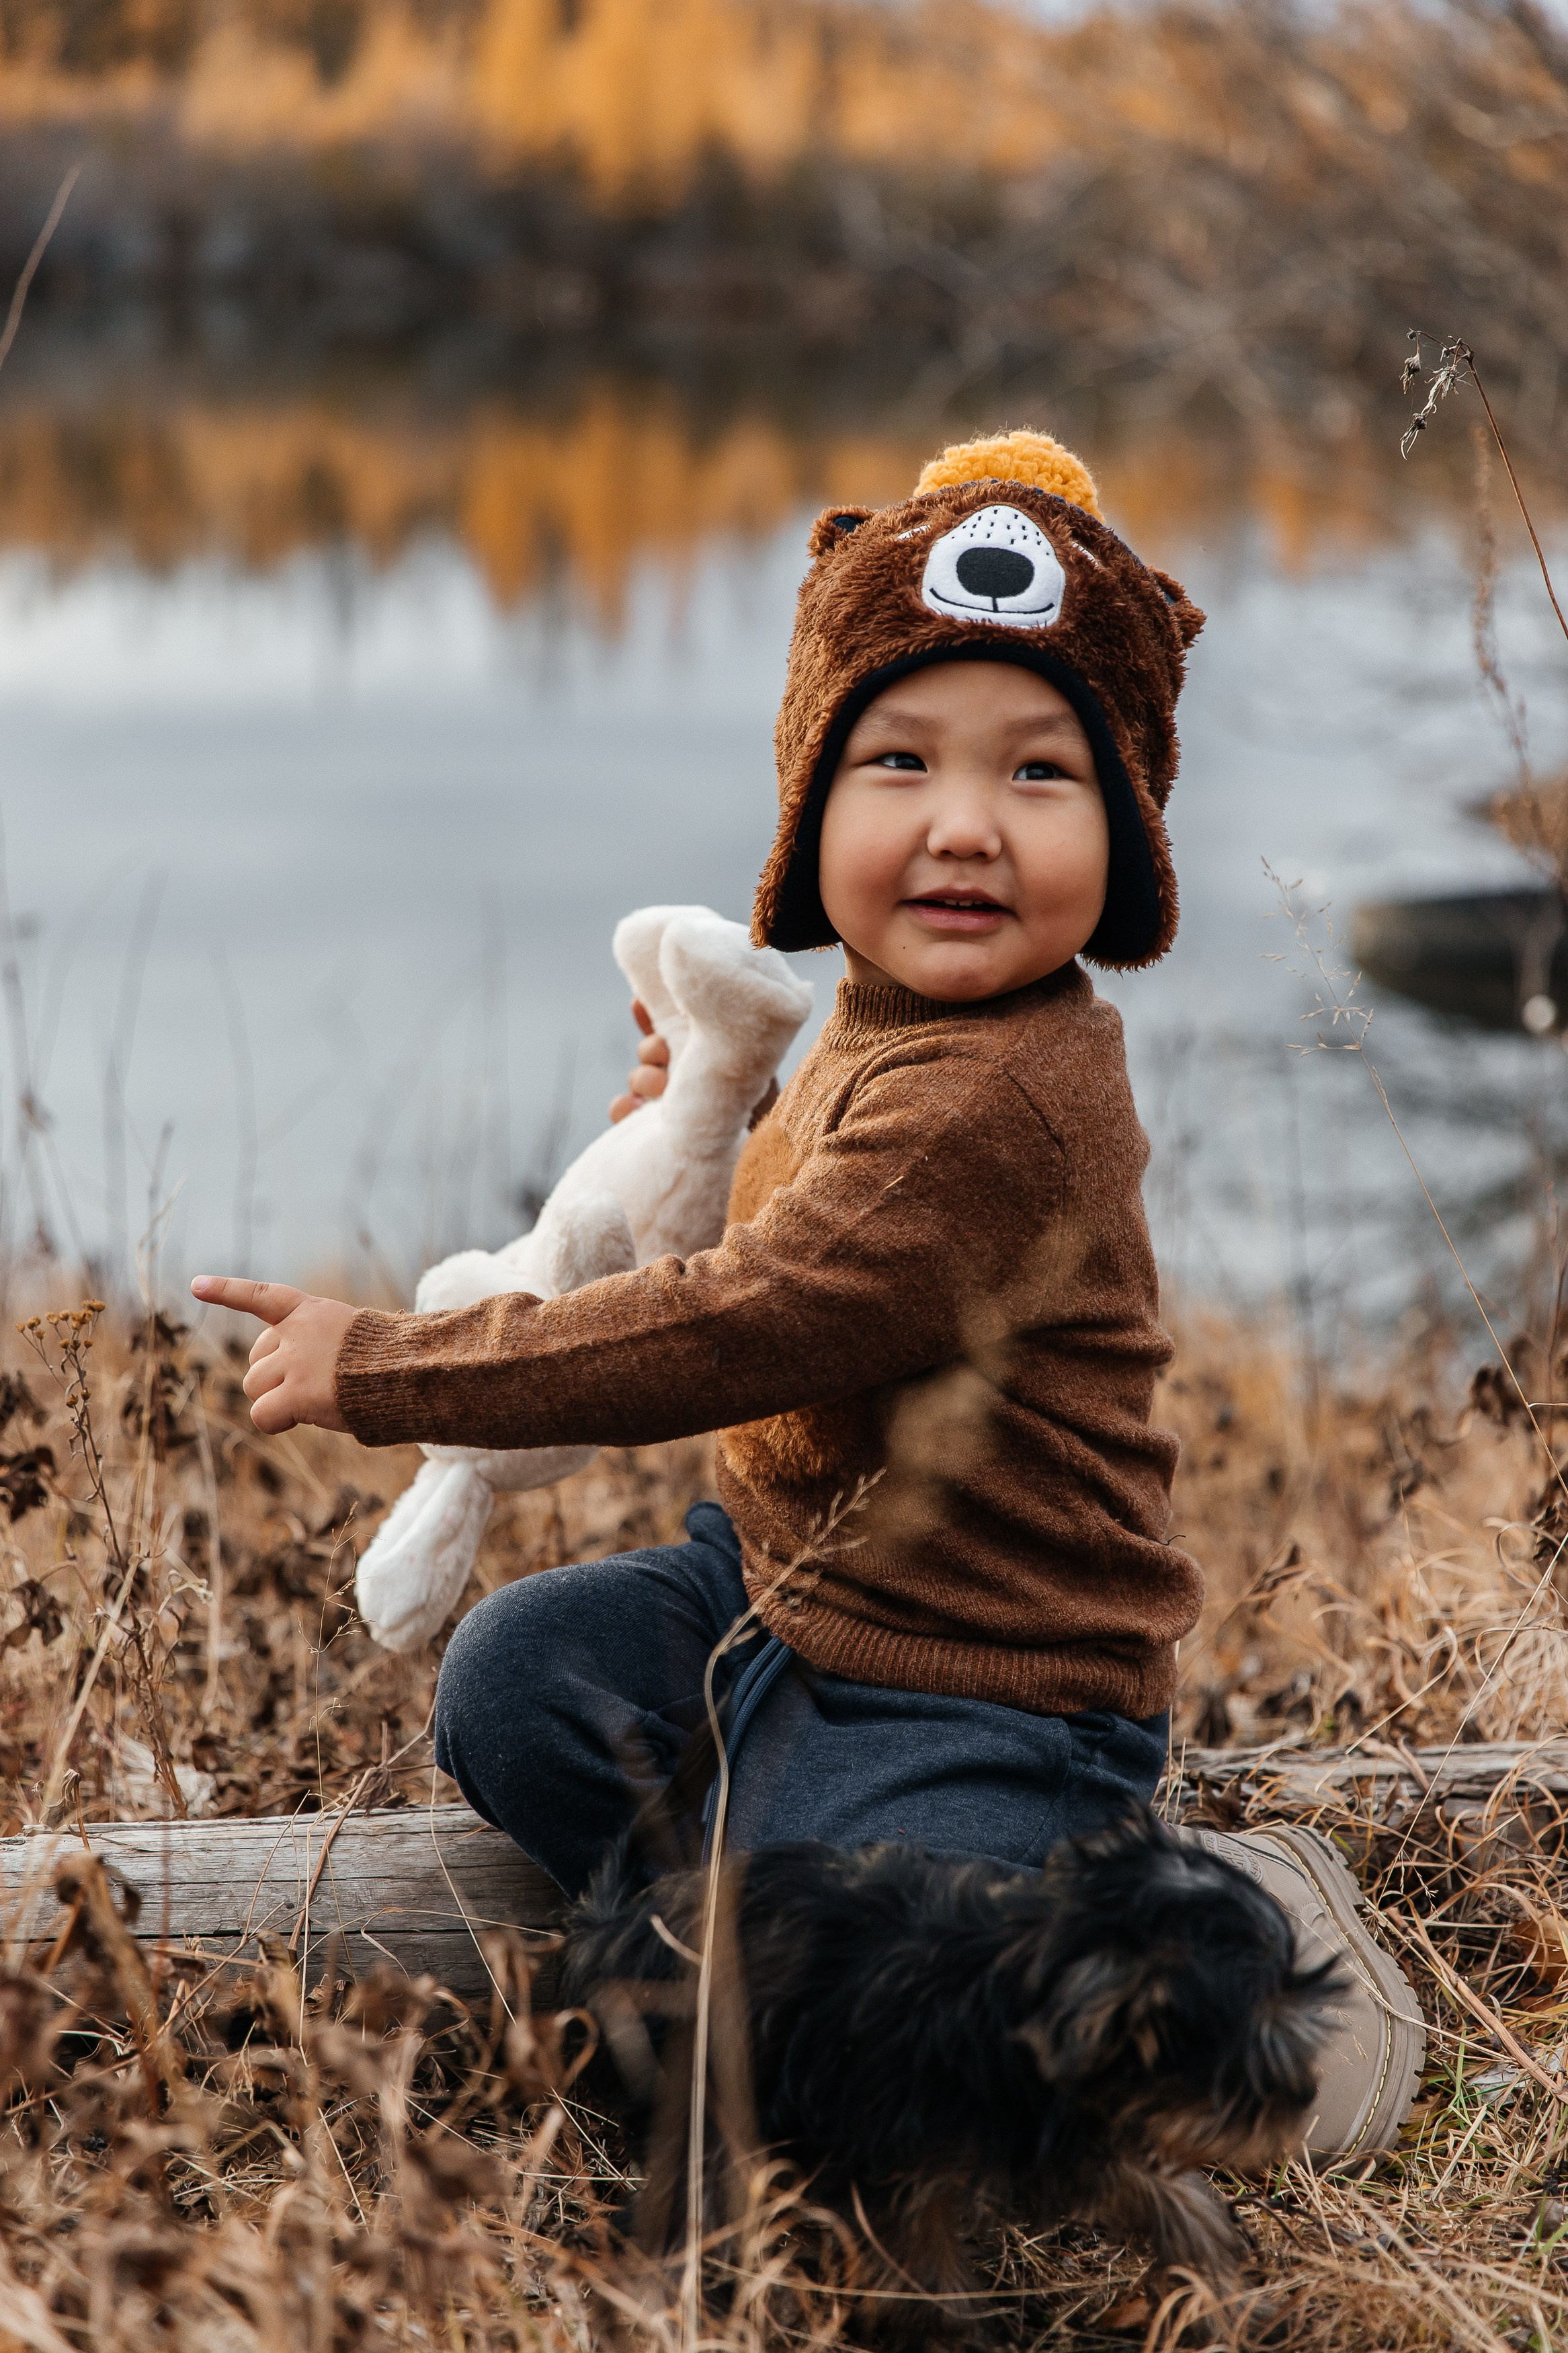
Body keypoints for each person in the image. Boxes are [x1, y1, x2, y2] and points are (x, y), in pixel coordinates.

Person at [192, 430, 1421, 2157]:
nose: (962, 828)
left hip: (984, 1684)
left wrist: (394, 1364)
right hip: (784, 1595)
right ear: (813, 803)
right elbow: (844, 1232)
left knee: (798, 2030)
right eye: (899, 760)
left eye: (1040, 777)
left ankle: (1209, 1982)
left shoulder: (1007, 1095)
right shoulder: (886, 1009)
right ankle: (755, 1913)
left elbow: (746, 1321)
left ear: (1127, 827)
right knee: (516, 1675)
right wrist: (734, 1123)